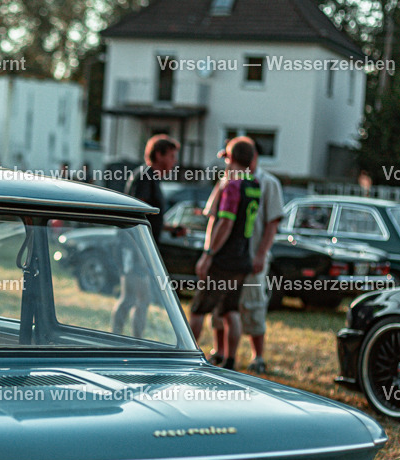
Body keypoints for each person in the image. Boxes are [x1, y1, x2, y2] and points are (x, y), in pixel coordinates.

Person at [202, 137, 283, 373]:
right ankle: (221, 352)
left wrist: (261, 254)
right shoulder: (227, 180)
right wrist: (210, 251)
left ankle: (258, 356)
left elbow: (272, 224)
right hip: (226, 259)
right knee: (222, 308)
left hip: (251, 257)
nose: (227, 162)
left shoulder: (268, 183)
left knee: (253, 305)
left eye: (228, 157)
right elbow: (214, 218)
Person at [188, 138, 260, 369]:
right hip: (242, 258)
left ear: (232, 158)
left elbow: (225, 224)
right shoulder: (253, 183)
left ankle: (186, 354)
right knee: (231, 310)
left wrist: (208, 254)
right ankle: (230, 359)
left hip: (224, 259)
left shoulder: (233, 185)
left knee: (199, 308)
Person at [111, 135, 179, 337]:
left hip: (140, 248)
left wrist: (171, 229)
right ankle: (128, 340)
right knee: (138, 298)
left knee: (133, 298)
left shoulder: (152, 178)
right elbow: (136, 213)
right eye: (172, 156)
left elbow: (151, 217)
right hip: (135, 248)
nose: (175, 162)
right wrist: (140, 251)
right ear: (159, 155)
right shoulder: (145, 176)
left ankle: (123, 338)